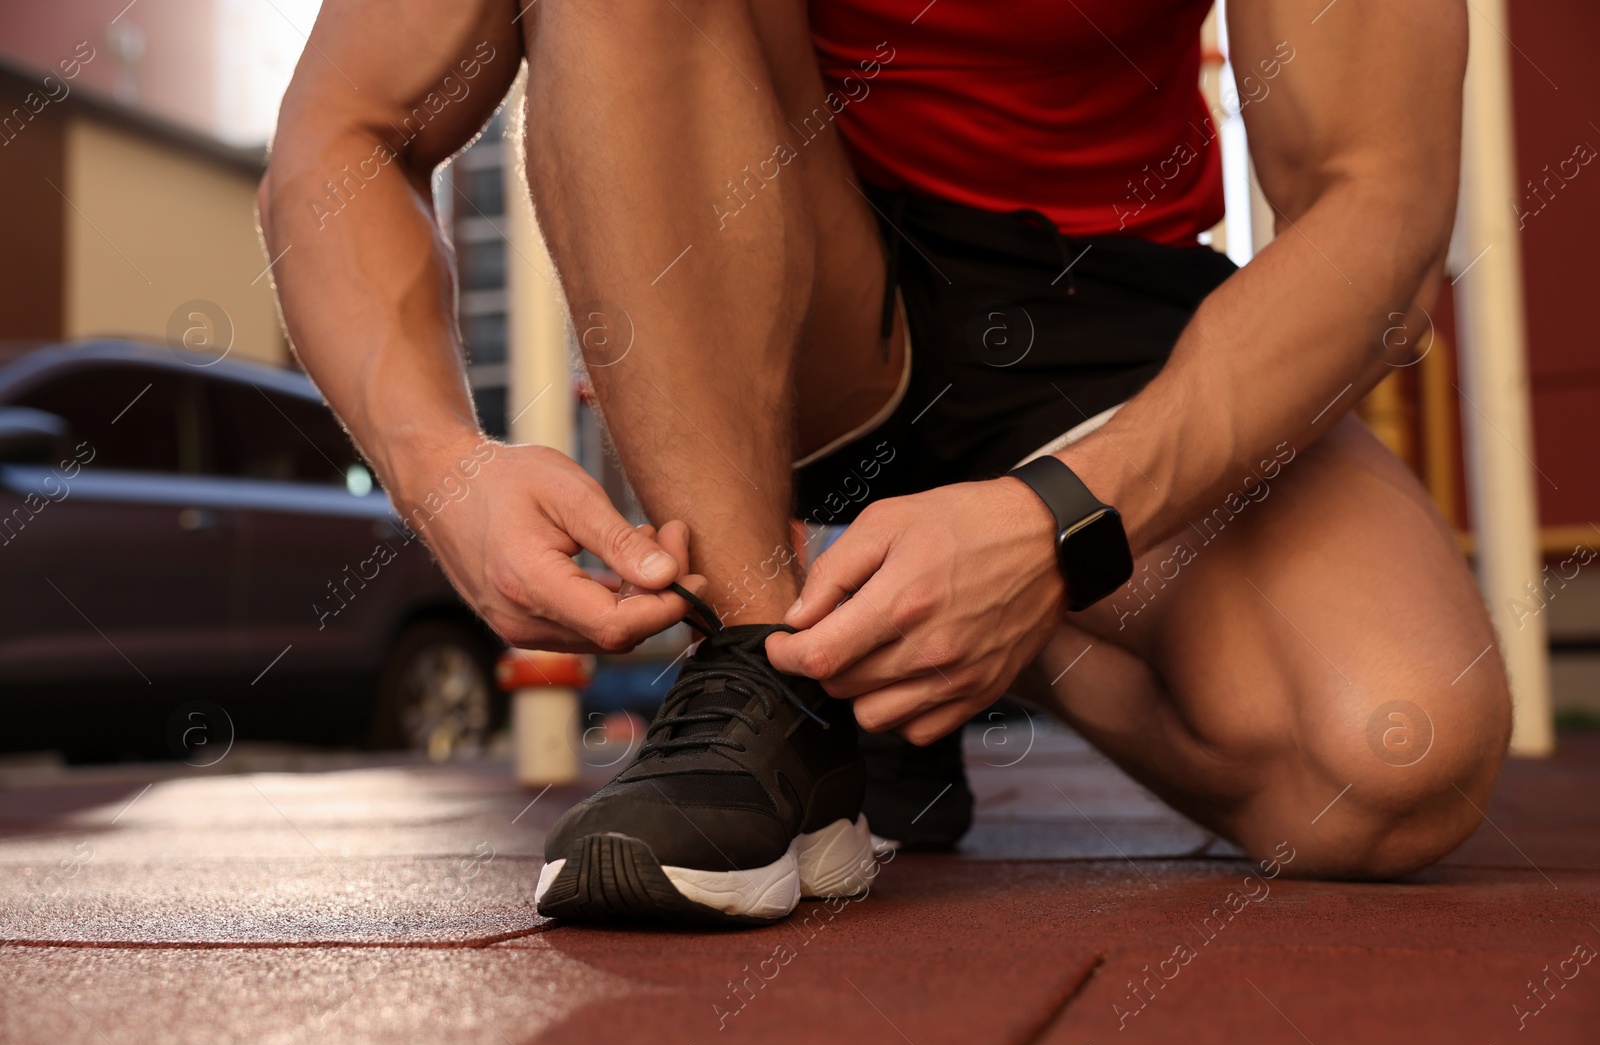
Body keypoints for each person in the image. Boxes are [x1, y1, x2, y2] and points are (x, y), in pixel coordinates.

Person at [261, 0, 1511, 924]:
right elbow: (344, 131)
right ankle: (771, 675)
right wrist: (442, 469)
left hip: (1102, 316)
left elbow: (1377, 209)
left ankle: (866, 618)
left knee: (1391, 756)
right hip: (792, 271)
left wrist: (1051, 532)